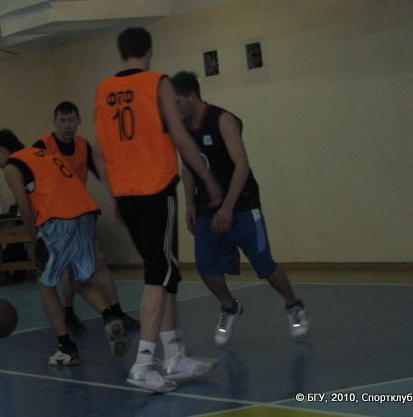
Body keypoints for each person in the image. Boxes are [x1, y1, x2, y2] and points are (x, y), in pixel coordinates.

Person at [93, 27, 222, 393]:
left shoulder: (103, 90)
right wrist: (208, 179)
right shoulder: (157, 83)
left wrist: (112, 196)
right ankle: (144, 364)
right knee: (158, 275)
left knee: (165, 275)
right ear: (149, 51)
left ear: (121, 54)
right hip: (155, 190)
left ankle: (174, 356)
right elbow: (180, 137)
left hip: (126, 193)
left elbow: (99, 151)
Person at [171, 70, 310, 345]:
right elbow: (187, 167)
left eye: (177, 102)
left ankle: (293, 305)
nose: (174, 109)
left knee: (265, 264)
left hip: (242, 204)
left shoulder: (223, 120)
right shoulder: (182, 128)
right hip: (207, 208)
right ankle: (229, 307)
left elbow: (242, 166)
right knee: (205, 266)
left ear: (191, 96)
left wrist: (227, 208)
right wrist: (189, 204)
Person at [0, 129, 130, 366]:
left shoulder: (12, 166)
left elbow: (25, 211)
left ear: (1, 151)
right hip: (85, 215)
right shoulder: (44, 154)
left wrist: (34, 242)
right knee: (78, 280)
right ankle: (110, 317)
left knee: (46, 283)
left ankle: (66, 347)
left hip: (58, 222)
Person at [33, 100, 140, 336]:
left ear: (78, 121)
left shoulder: (83, 146)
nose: (67, 125)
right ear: (54, 122)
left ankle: (116, 312)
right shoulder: (43, 146)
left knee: (98, 260)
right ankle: (70, 312)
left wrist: (118, 198)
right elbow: (30, 179)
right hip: (55, 217)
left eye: (71, 120)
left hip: (80, 214)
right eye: (62, 120)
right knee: (68, 267)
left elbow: (102, 173)